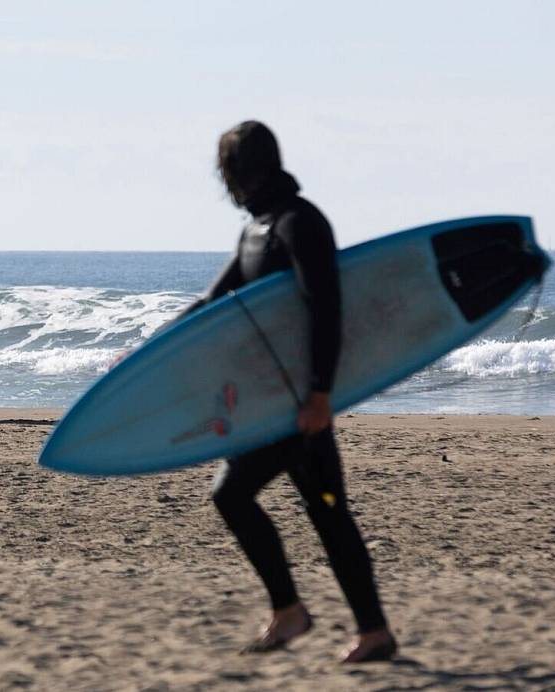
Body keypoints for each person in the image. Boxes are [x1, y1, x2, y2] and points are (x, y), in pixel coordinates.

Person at [183, 121, 397, 663]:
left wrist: (321, 394)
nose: (224, 182)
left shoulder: (300, 223)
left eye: (226, 170)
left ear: (241, 170)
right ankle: (369, 631)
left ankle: (293, 612)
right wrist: (144, 353)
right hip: (276, 405)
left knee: (235, 495)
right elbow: (212, 305)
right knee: (327, 512)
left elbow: (327, 307)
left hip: (299, 407)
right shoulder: (258, 230)